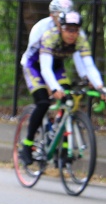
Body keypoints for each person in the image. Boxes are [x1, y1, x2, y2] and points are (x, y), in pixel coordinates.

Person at [19, 11, 106, 165]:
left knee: (69, 102)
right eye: (68, 29)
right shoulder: (50, 36)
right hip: (34, 66)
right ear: (60, 28)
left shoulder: (80, 39)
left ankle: (64, 149)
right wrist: (54, 88)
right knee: (43, 103)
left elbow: (89, 66)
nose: (72, 34)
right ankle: (27, 145)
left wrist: (100, 87)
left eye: (76, 29)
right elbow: (45, 69)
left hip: (56, 67)